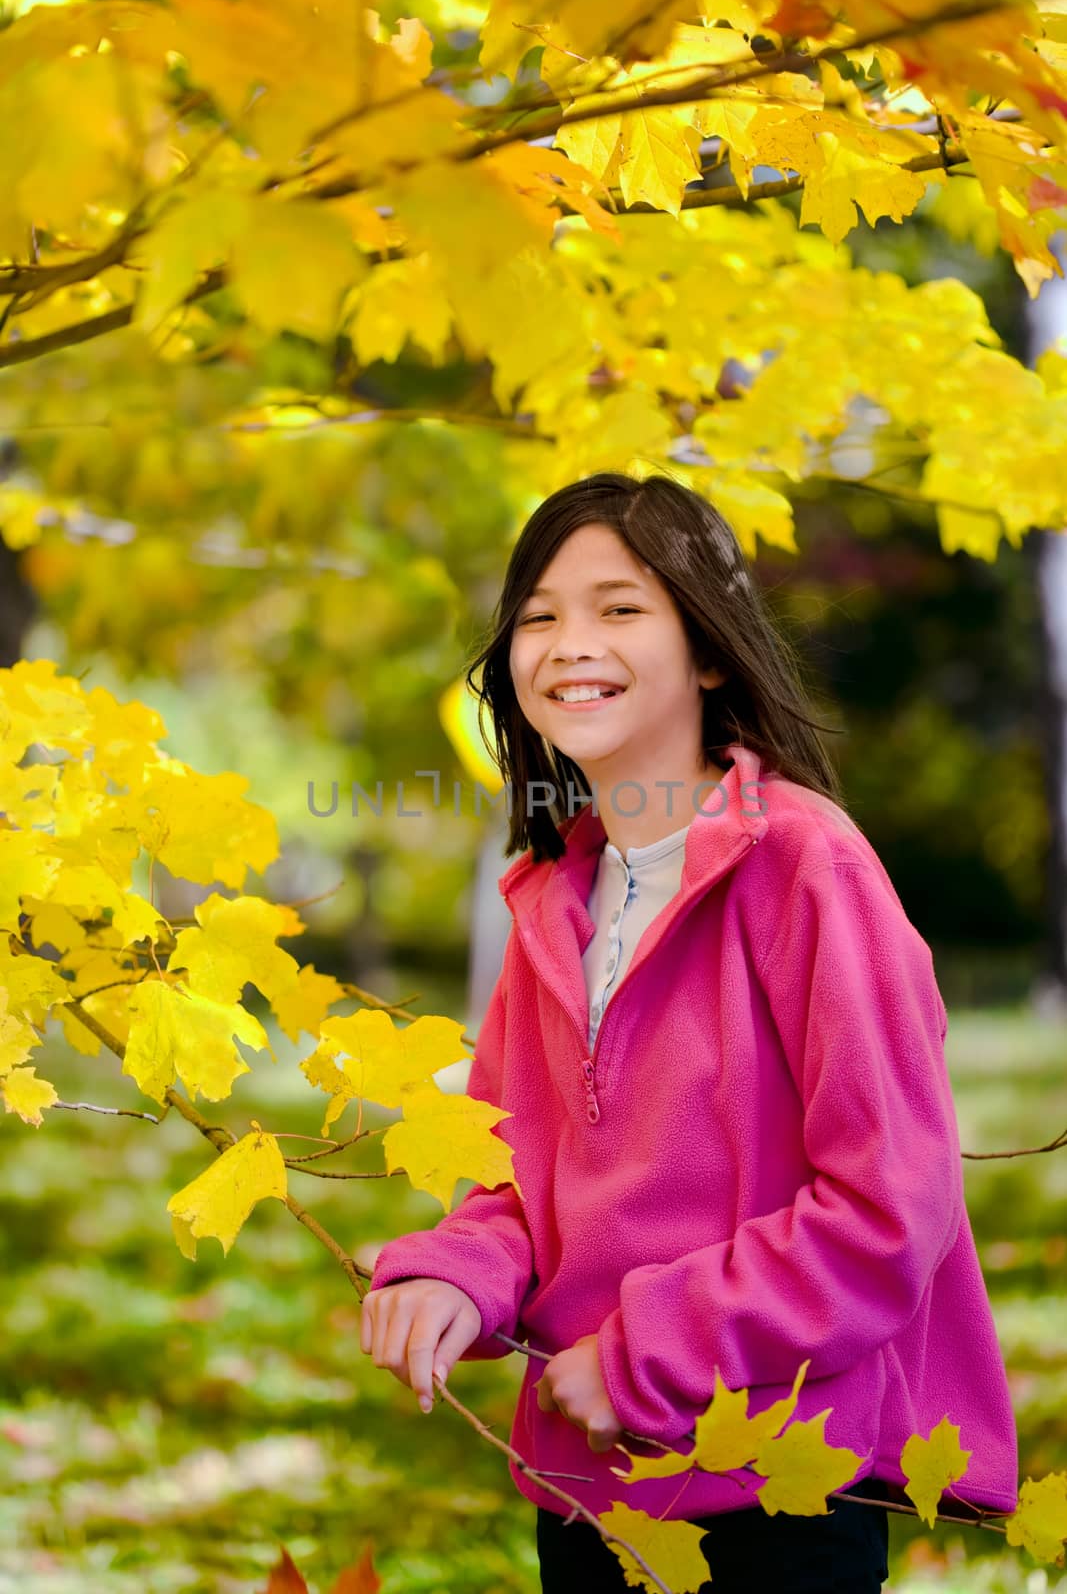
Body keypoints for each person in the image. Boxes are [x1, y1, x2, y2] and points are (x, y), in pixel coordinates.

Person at [359, 469, 1019, 1592]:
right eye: (538, 617)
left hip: (776, 1478)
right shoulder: (550, 899)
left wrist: (641, 1354)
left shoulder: (804, 867)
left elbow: (885, 1206)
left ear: (708, 651)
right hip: (586, 1480)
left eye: (619, 609)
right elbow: (512, 1181)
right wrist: (454, 1277)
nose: (572, 642)